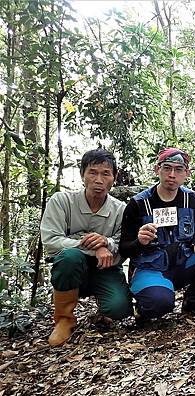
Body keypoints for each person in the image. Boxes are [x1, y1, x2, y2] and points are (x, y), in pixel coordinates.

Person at [119, 147, 195, 320]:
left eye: (178, 170)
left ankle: (192, 300)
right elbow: (124, 249)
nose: (172, 175)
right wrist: (139, 241)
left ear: (187, 173)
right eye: (167, 168)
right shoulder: (138, 203)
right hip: (152, 268)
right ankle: (143, 308)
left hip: (182, 263)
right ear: (157, 169)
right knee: (161, 304)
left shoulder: (192, 199)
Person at [41, 148, 132, 347]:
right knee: (70, 257)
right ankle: (64, 320)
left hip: (104, 269)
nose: (98, 180)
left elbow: (122, 246)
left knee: (120, 309)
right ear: (82, 175)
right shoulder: (62, 201)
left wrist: (107, 242)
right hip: (72, 268)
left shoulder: (120, 210)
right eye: (93, 172)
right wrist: (94, 247)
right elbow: (51, 240)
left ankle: (104, 306)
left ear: (114, 178)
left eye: (105, 174)